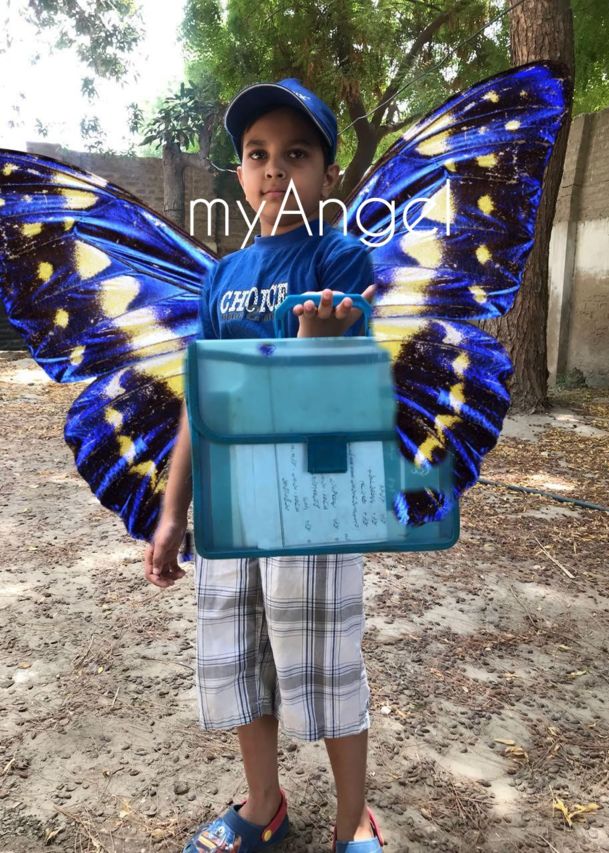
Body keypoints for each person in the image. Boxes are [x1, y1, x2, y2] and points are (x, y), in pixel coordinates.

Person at [144, 78, 383, 853]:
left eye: (296, 153)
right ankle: (263, 804)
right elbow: (202, 400)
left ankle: (354, 820)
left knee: (325, 660)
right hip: (232, 505)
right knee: (241, 658)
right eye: (257, 153)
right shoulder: (222, 277)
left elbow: (345, 397)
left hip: (313, 504)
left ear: (328, 175)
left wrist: (317, 343)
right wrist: (173, 511)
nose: (274, 168)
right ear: (240, 172)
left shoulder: (338, 256)